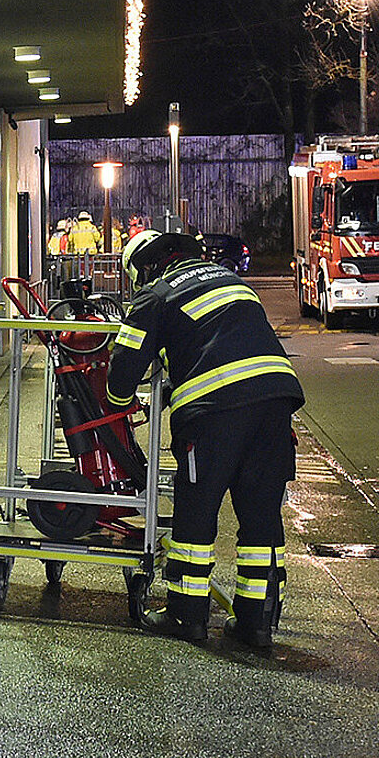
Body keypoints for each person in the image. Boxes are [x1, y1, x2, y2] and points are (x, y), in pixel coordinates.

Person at [107, 229, 304, 648]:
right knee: (261, 517)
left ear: (145, 268)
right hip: (276, 401)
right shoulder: (231, 280)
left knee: (196, 513)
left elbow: (123, 369)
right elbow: (222, 342)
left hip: (214, 413)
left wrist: (118, 402)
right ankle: (256, 623)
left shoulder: (156, 295)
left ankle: (186, 616)